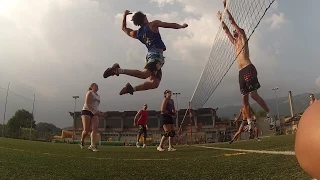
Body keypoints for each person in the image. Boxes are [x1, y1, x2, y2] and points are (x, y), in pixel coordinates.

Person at [217, 0, 274, 132]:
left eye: (235, 31)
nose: (234, 32)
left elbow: (232, 23)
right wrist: (220, 20)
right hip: (241, 72)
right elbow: (226, 30)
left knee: (254, 95)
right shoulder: (234, 43)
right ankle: (249, 123)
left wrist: (226, 9)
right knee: (244, 100)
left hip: (248, 67)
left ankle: (270, 115)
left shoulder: (242, 37)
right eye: (234, 32)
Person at [103, 10, 188, 95]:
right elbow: (169, 25)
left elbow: (124, 29)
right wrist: (181, 26)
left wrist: (124, 16)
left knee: (155, 84)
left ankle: (131, 89)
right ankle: (117, 70)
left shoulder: (137, 33)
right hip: (156, 56)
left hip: (151, 57)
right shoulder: (153, 24)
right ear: (144, 18)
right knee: (144, 75)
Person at [80, 83, 104, 152]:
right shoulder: (90, 93)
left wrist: (99, 113)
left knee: (95, 128)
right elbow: (87, 104)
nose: (97, 88)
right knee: (86, 130)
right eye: (95, 86)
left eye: (97, 87)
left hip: (95, 112)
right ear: (91, 87)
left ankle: (92, 145)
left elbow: (95, 106)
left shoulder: (98, 96)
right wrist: (95, 111)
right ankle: (82, 140)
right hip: (86, 111)